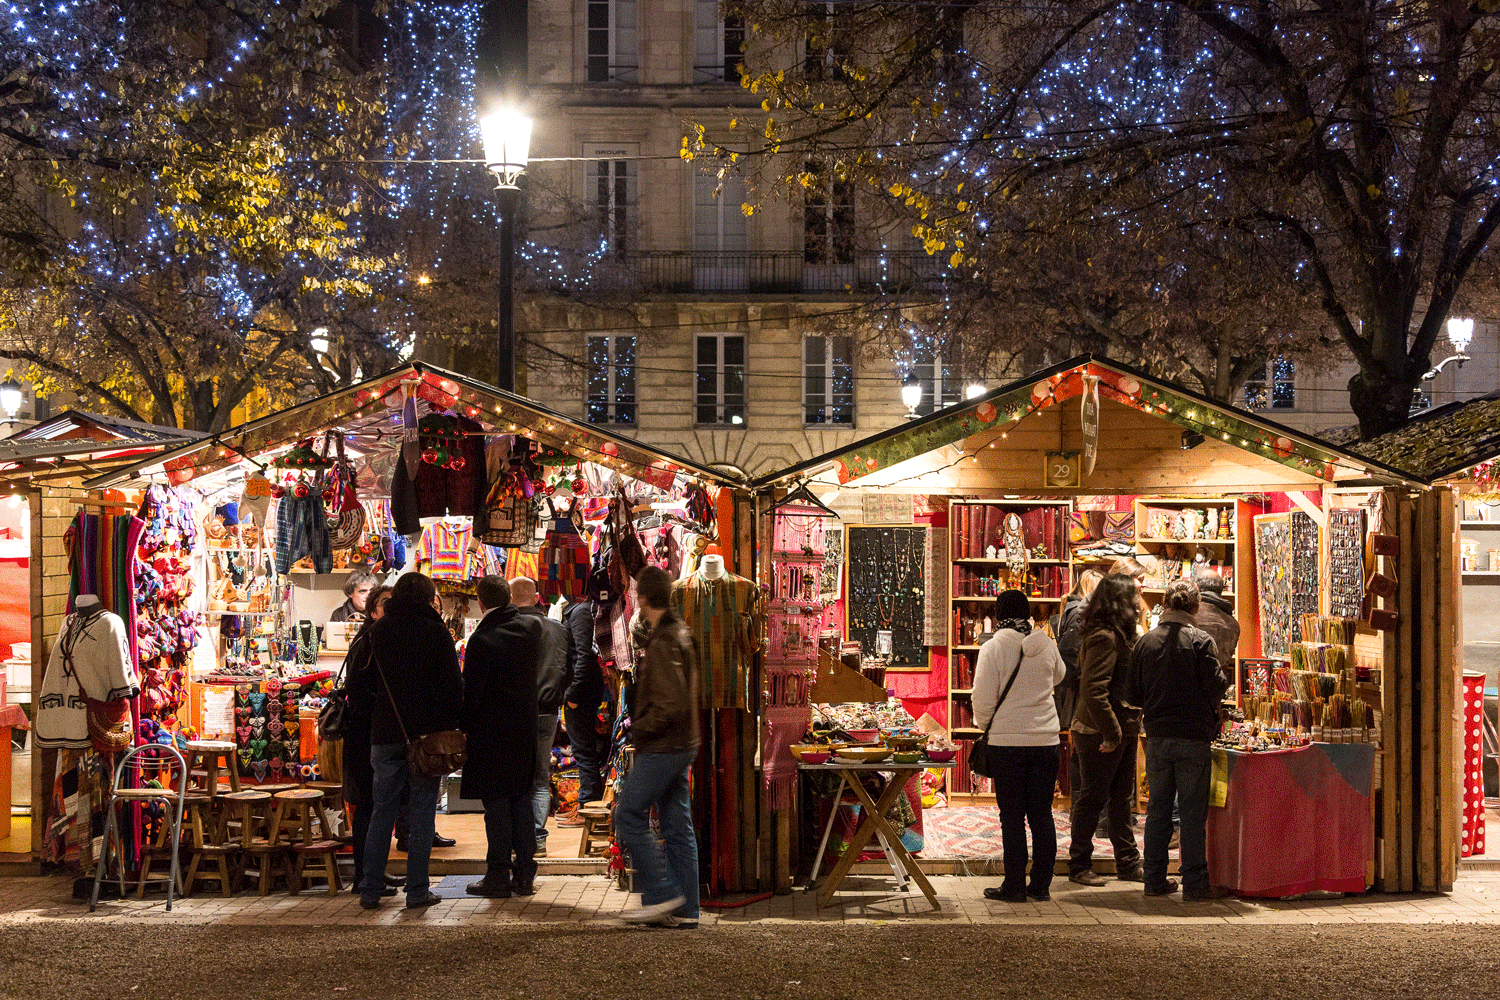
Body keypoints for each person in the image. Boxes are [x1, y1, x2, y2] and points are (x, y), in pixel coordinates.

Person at [359, 572, 464, 910]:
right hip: (427, 739)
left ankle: (370, 889)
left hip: (385, 734)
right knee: (421, 816)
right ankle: (417, 891)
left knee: (381, 813)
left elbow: (358, 689)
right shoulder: (435, 632)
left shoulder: (376, 632)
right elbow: (452, 687)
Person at [1124, 578, 1231, 900]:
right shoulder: (1201, 641)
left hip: (1157, 736)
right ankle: (1195, 885)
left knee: (1157, 811)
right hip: (1193, 737)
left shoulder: (1145, 643)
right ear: (1195, 607)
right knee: (1192, 813)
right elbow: (1216, 687)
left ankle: (1154, 880)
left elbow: (1131, 693)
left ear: (1167, 605)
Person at [617, 565, 701, 927]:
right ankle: (686, 910)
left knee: (628, 815)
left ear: (645, 598)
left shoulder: (665, 640)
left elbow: (669, 703)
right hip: (681, 742)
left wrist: (640, 730)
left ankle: (662, 896)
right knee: (677, 825)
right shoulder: (679, 632)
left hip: (664, 744)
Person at [974, 589, 1066, 903]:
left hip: (1007, 742)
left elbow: (982, 701)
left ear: (999, 615)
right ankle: (1041, 885)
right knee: (1041, 814)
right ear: (1027, 612)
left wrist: (986, 726)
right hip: (1045, 740)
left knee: (1011, 816)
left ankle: (1014, 884)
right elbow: (1060, 676)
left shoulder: (992, 648)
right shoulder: (1046, 643)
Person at [462, 576, 544, 898]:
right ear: (508, 596)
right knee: (522, 802)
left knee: (496, 808)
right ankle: (524, 875)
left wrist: (464, 727)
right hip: (523, 731)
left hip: (491, 735)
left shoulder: (482, 639)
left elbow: (472, 693)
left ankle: (497, 875)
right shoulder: (529, 630)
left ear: (480, 602)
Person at [1067, 574, 1144, 886]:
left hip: (1118, 728)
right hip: (1099, 732)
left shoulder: (1117, 635)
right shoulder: (1105, 637)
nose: (1139, 604)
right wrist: (1112, 734)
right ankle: (1078, 865)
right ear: (1121, 602)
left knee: (1120, 797)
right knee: (1093, 798)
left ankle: (1127, 863)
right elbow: (1094, 691)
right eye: (1134, 598)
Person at [339, 584, 401, 896]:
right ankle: (364, 875)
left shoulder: (378, 638)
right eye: (384, 603)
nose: (390, 609)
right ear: (372, 609)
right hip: (365, 733)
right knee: (367, 804)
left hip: (372, 730)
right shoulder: (368, 640)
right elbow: (359, 692)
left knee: (376, 804)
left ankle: (374, 870)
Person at [509, 576, 572, 858]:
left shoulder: (506, 627)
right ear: (536, 597)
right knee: (538, 779)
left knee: (513, 778)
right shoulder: (558, 629)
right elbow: (569, 668)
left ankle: (516, 841)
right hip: (547, 710)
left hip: (514, 713)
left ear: (510, 599)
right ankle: (537, 840)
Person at [563, 596, 607, 812]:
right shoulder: (581, 610)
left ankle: (587, 805)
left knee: (583, 749)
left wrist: (572, 693)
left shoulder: (580, 611)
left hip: (581, 692)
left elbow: (585, 655)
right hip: (584, 689)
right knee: (584, 748)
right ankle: (586, 803)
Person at [1050, 567, 1104, 728]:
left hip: (1072, 687)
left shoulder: (1074, 610)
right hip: (1075, 690)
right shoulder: (1079, 614)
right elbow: (1072, 654)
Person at [1193, 569, 1240, 666]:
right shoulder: (1232, 624)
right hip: (1217, 679)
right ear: (1221, 589)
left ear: (1196, 587)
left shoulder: (1187, 616)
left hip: (1184, 679)